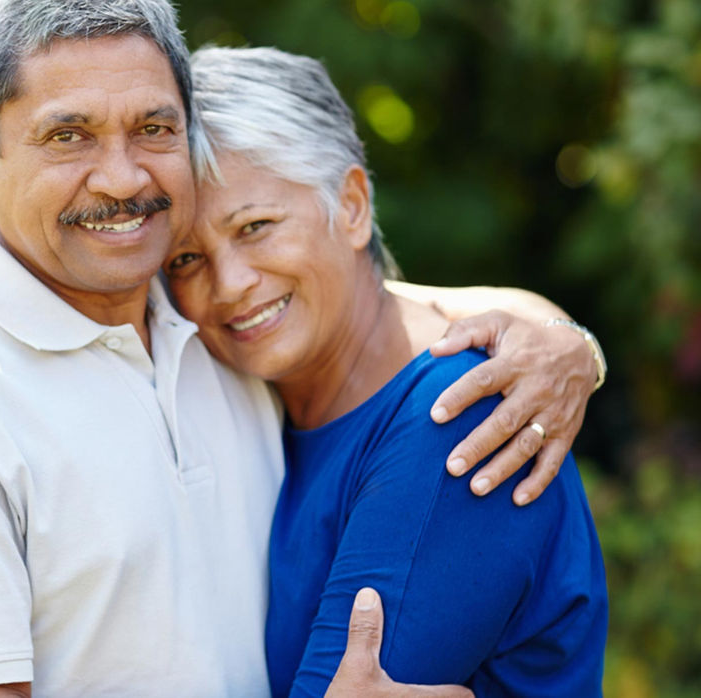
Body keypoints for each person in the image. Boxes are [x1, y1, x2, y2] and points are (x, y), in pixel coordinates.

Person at [0, 1, 602, 695]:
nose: (120, 179)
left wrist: (563, 341)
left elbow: (386, 311)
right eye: (69, 134)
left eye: (152, 128)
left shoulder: (210, 332)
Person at [165, 46, 608, 696]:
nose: (228, 285)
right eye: (184, 260)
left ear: (350, 206)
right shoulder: (256, 402)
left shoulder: (459, 415)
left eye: (256, 227)